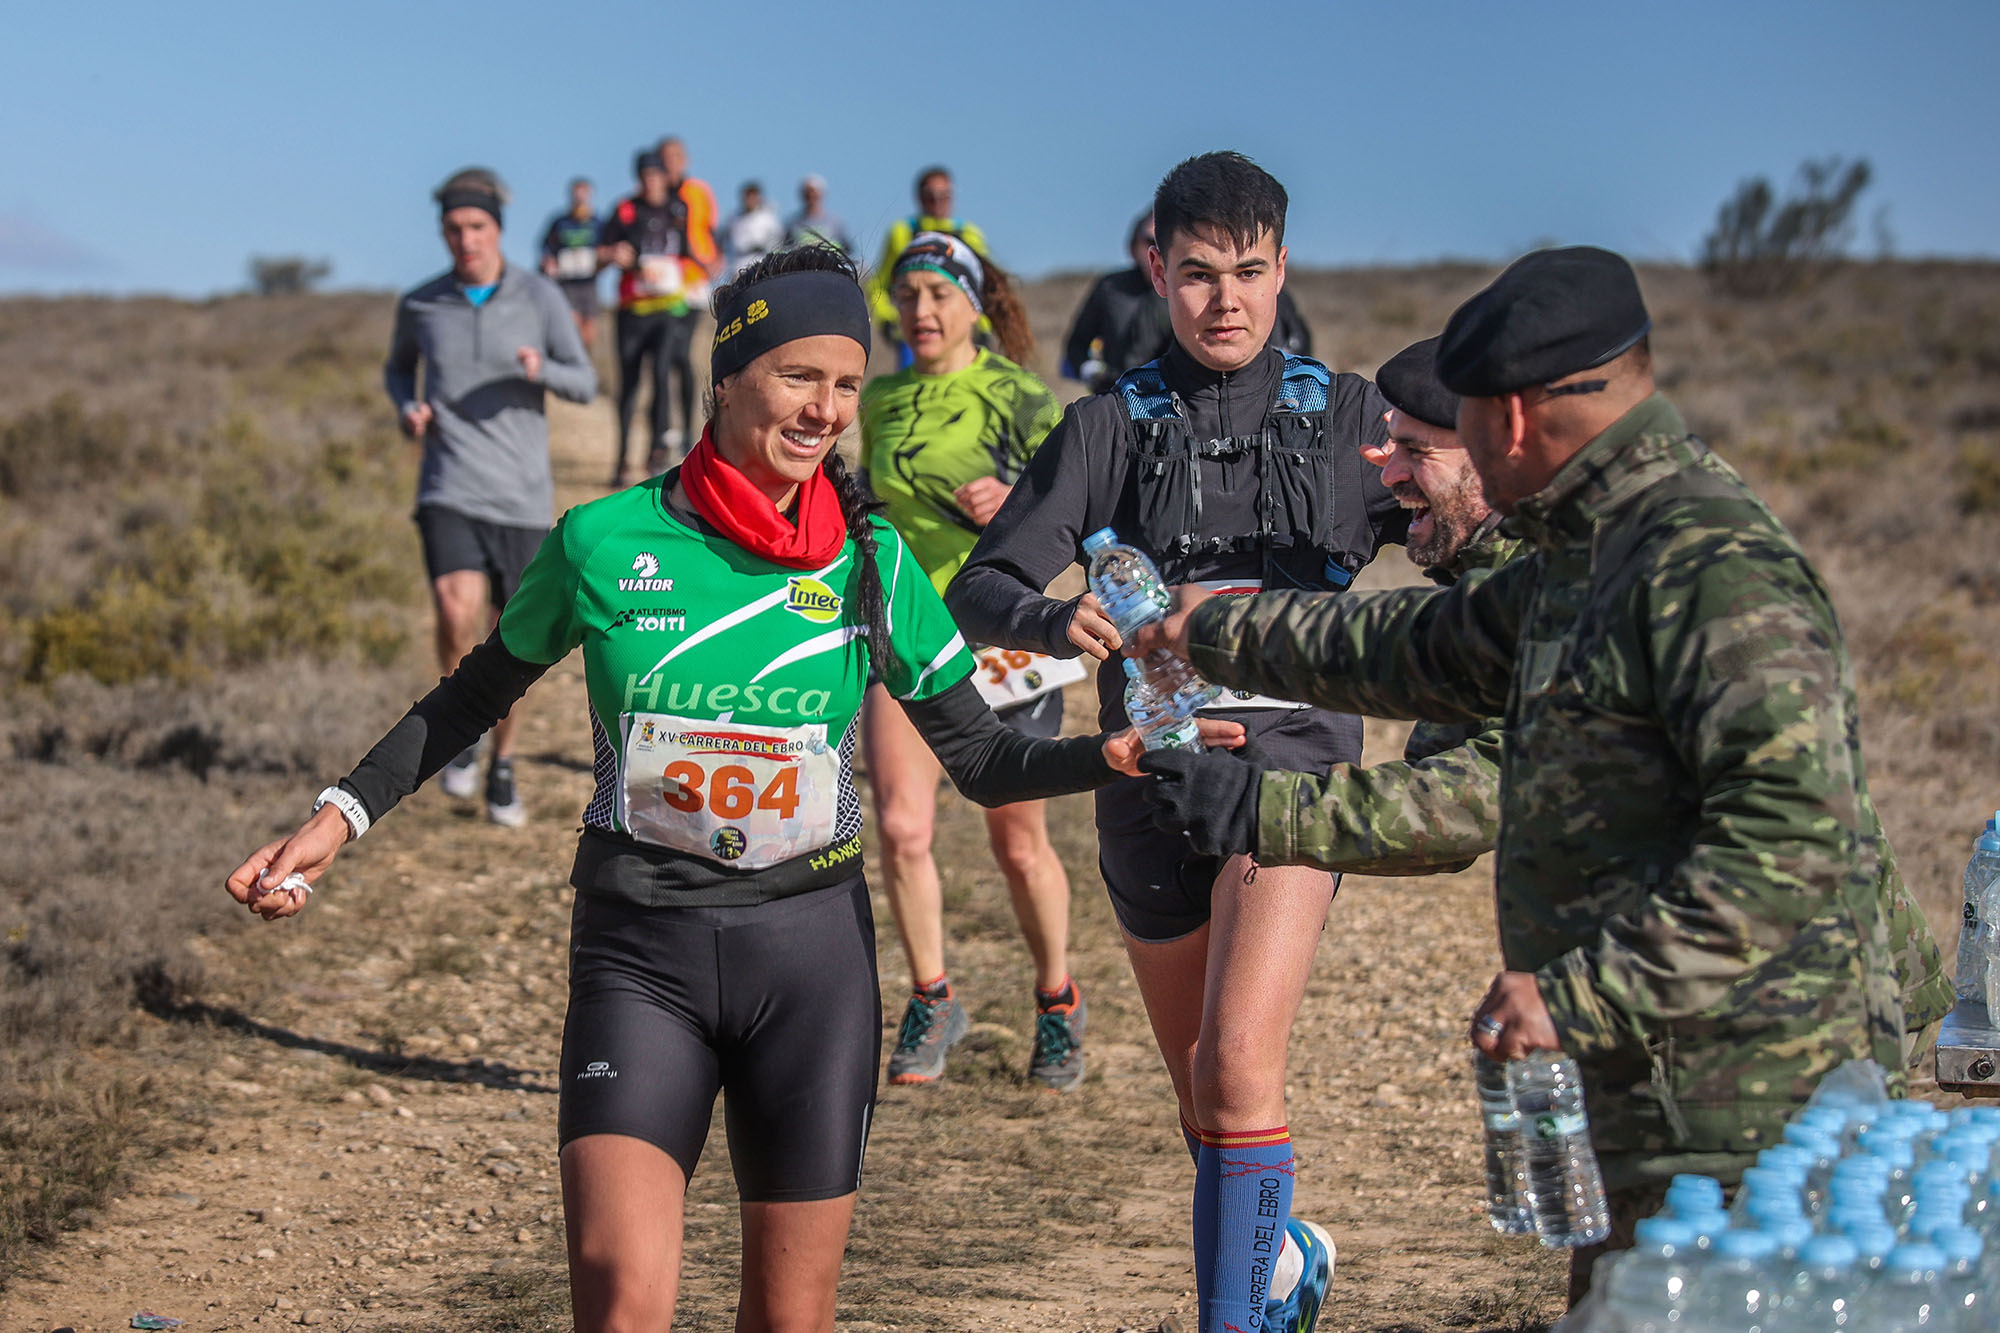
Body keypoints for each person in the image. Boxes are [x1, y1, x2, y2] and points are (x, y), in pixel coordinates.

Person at [230, 245, 1238, 1333]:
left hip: (809, 966)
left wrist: (1113, 752)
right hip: (639, 957)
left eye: (847, 384)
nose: (825, 409)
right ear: (726, 375)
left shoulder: (872, 561)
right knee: (619, 1309)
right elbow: (471, 694)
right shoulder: (603, 542)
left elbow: (984, 760)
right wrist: (340, 814)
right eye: (799, 375)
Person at [1134, 245, 1917, 1309]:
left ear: (1504, 423)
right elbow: (1422, 646)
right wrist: (1211, 631)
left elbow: (1785, 848)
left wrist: (1574, 994)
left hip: (1755, 1095)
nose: (1401, 462)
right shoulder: (1589, 545)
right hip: (1656, 1075)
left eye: (1438, 432)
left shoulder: (1705, 565)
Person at [947, 151, 1408, 1333]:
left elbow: (1460, 510)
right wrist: (1057, 616)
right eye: (1197, 274)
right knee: (1204, 1109)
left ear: (1281, 266)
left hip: (1289, 776)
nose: (1224, 302)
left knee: (1238, 1064)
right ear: (1153, 268)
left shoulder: (1347, 415)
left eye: (1248, 272)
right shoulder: (1105, 428)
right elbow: (981, 581)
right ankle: (1283, 1257)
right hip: (1144, 782)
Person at [857, 233, 1083, 1089]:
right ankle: (932, 994)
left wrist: (1014, 497)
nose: (921, 311)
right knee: (902, 826)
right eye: (908, 295)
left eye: (938, 295)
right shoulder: (877, 402)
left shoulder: (1017, 396)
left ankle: (1057, 1000)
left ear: (973, 305)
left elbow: (1077, 500)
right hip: (905, 634)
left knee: (1018, 843)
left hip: (1003, 639)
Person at [383, 166, 596, 827]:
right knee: (455, 609)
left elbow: (586, 383)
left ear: (497, 229)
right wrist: (407, 408)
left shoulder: (539, 296)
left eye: (476, 226)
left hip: (522, 496)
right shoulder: (422, 304)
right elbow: (397, 369)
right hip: (449, 483)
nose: (465, 239)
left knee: (515, 640)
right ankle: (461, 734)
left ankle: (502, 759)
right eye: (453, 228)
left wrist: (543, 369)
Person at [1062, 211, 1314, 395]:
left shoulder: (1267, 294)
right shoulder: (1111, 289)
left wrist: (1289, 371)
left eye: (1248, 273)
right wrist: (1092, 372)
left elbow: (1300, 338)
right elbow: (1077, 343)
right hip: (1124, 395)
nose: (1226, 301)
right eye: (1149, 240)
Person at [599, 142, 720, 484]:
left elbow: (689, 248)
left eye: (656, 175)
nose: (651, 182)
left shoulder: (678, 208)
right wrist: (613, 254)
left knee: (665, 372)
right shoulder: (624, 209)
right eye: (645, 176)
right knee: (630, 384)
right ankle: (621, 460)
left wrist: (705, 266)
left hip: (669, 307)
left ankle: (655, 454)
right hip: (632, 309)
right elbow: (601, 249)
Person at [864, 166, 989, 366]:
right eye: (930, 196)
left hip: (960, 333)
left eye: (944, 195)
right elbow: (879, 283)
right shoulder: (902, 233)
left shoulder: (970, 235)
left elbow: (985, 288)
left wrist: (984, 325)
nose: (937, 202)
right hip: (915, 332)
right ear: (919, 197)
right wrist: (887, 319)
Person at [540, 176, 603, 354]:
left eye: (584, 193)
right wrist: (548, 261)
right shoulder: (559, 223)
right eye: (577, 193)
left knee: (589, 334)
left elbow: (605, 247)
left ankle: (585, 364)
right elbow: (545, 247)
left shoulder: (597, 223)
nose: (580, 197)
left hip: (589, 283)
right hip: (566, 283)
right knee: (571, 327)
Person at [725, 180, 786, 278]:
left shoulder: (767, 218)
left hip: (759, 262)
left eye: (752, 196)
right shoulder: (734, 220)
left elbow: (777, 240)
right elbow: (728, 245)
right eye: (747, 196)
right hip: (738, 264)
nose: (749, 200)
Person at [786, 174, 853, 255]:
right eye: (807, 193)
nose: (811, 196)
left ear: (821, 195)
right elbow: (786, 248)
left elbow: (848, 249)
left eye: (813, 192)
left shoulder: (835, 223)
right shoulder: (793, 224)